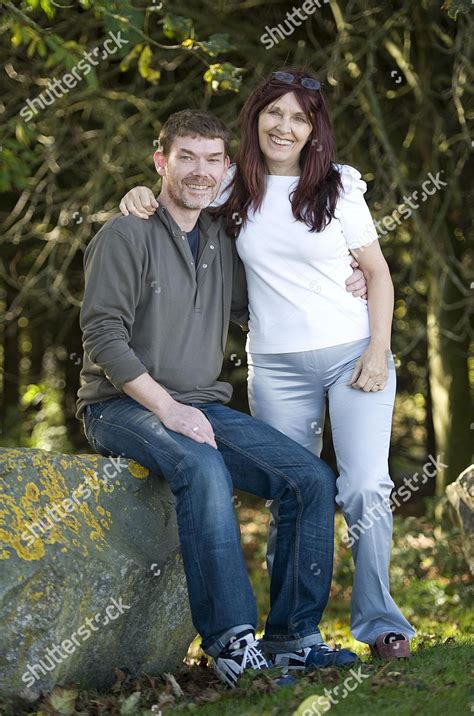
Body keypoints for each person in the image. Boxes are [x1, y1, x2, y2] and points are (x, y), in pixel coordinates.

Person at [118, 67, 416, 660]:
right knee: (292, 490)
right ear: (255, 119)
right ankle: (290, 635)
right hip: (275, 364)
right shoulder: (233, 186)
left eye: (299, 117)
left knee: (364, 488)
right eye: (274, 113)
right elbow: (180, 198)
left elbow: (377, 273)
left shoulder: (338, 187)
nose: (285, 126)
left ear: (314, 129)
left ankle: (382, 623)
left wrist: (379, 349)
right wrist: (135, 195)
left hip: (353, 355)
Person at [76, 109, 358, 689]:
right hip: (119, 407)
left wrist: (349, 273)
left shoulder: (220, 239)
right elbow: (104, 336)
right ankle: (233, 642)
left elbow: (269, 301)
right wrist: (170, 410)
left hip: (200, 405)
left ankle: (292, 639)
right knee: (201, 465)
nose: (200, 171)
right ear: (161, 162)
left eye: (212, 159)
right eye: (186, 157)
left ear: (227, 167)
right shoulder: (124, 234)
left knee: (309, 480)